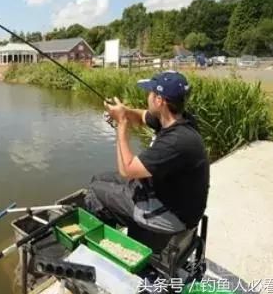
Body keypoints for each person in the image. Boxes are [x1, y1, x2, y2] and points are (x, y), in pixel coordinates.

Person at [84, 71, 210, 237]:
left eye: (150, 92)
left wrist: (121, 124)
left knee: (94, 191)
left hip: (171, 215)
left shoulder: (176, 140)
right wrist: (124, 111)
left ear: (159, 101)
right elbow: (143, 116)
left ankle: (107, 242)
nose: (147, 96)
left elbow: (127, 170)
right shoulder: (175, 118)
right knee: (98, 178)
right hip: (164, 193)